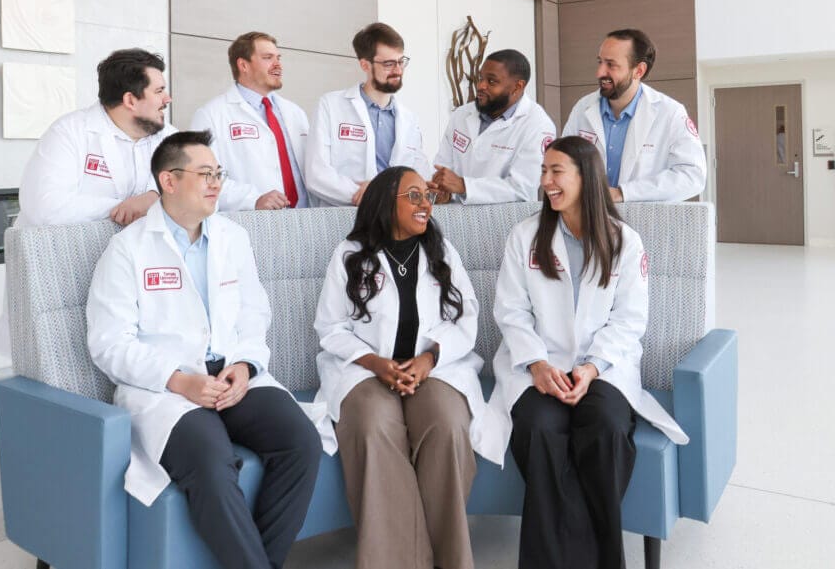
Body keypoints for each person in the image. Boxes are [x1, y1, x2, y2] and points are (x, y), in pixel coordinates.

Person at [86, 130, 327, 569]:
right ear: (169, 181)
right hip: (167, 390)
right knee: (213, 462)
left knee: (301, 442)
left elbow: (256, 314)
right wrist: (180, 380)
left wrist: (245, 365)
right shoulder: (127, 250)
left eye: (218, 173)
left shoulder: (232, 237)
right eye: (205, 174)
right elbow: (108, 344)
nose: (216, 182)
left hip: (234, 378)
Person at [484, 136, 689, 569]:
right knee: (540, 429)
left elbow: (630, 320)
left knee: (607, 427)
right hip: (537, 364)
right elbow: (510, 310)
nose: (546, 181)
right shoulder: (525, 236)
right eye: (544, 171)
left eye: (556, 171)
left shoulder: (624, 242)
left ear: (586, 177)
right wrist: (537, 365)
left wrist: (593, 368)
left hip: (604, 368)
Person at [314, 166, 490, 569]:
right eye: (414, 196)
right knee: (373, 426)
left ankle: (451, 560)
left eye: (427, 196)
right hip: (365, 369)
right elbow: (329, 326)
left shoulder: (441, 251)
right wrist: (375, 363)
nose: (425, 204)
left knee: (445, 423)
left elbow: (467, 318)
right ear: (384, 202)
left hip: (435, 368)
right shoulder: (349, 254)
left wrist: (429, 359)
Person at [0, 48, 177, 355]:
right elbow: (45, 205)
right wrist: (127, 206)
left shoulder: (165, 135)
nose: (166, 99)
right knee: (59, 362)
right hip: (61, 269)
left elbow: (196, 184)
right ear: (131, 100)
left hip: (131, 267)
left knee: (124, 353)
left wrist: (154, 197)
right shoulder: (70, 132)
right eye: (159, 91)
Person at [562, 28, 706, 202]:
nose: (599, 73)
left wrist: (624, 193)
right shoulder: (583, 108)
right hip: (589, 220)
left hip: (642, 223)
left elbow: (692, 176)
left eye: (611, 64)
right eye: (600, 62)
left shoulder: (670, 113)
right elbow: (563, 163)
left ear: (639, 71)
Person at [305, 23, 430, 206]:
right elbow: (317, 174)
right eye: (388, 64)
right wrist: (372, 195)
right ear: (365, 65)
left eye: (401, 61)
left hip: (397, 217)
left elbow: (420, 175)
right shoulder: (331, 105)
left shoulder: (409, 119)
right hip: (345, 214)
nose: (398, 70)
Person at [190, 32, 311, 211]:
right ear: (243, 65)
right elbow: (203, 177)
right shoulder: (211, 115)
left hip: (305, 218)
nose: (278, 64)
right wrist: (252, 200)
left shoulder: (295, 112)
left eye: (278, 57)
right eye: (268, 58)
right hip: (253, 221)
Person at [430, 49, 556, 204]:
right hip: (457, 219)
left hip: (506, 223)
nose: (481, 86)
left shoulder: (538, 125)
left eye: (491, 81)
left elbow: (522, 188)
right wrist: (442, 191)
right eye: (481, 78)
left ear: (517, 87)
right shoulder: (462, 115)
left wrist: (464, 186)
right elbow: (443, 168)